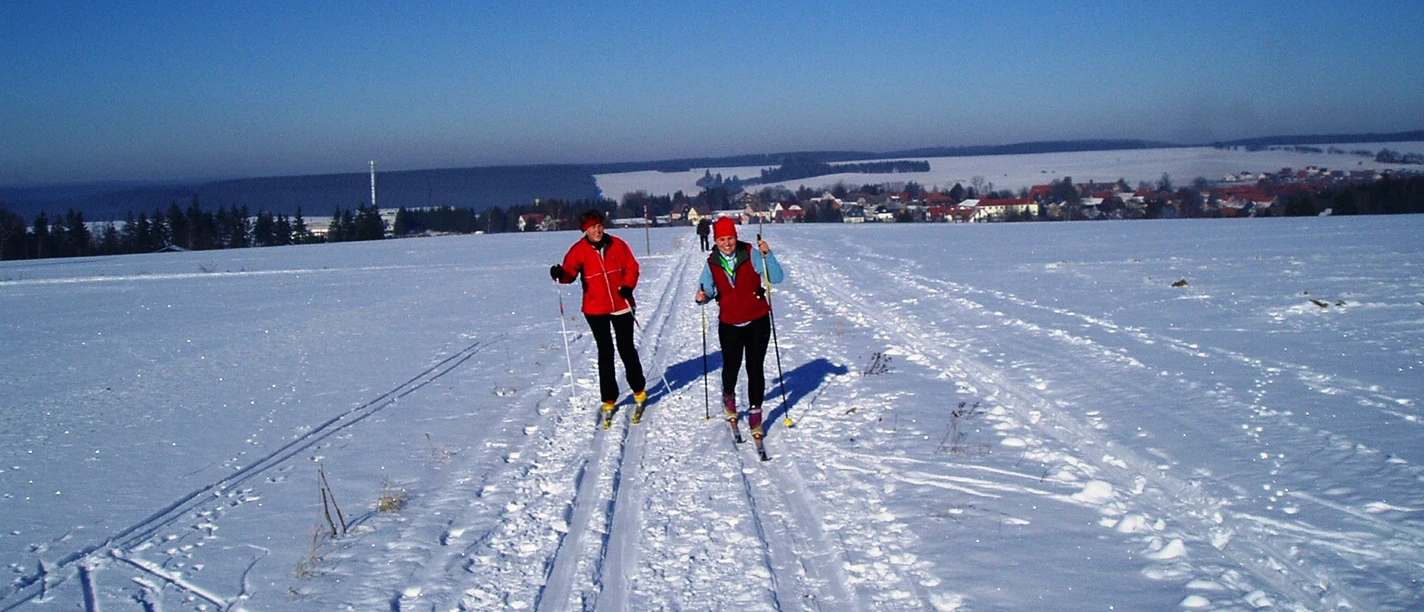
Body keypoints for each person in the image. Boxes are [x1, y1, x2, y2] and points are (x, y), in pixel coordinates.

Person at [550, 210, 648, 426]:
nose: (597, 230)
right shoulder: (578, 250)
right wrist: (559, 274)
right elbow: (569, 273)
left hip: (621, 304)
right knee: (605, 351)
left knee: (626, 348)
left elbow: (632, 267)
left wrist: (628, 286)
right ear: (585, 230)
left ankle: (639, 390)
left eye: (600, 225)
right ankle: (609, 398)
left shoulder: (617, 244)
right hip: (595, 308)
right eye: (592, 227)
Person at [695, 217, 784, 439]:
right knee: (731, 366)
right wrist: (703, 296)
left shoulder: (751, 253)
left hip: (757, 320)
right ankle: (729, 398)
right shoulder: (712, 262)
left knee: (755, 368)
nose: (727, 243)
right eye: (722, 239)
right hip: (730, 323)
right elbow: (707, 289)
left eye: (730, 238)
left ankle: (756, 414)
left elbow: (776, 277)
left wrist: (767, 255)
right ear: (716, 241)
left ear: (736, 237)